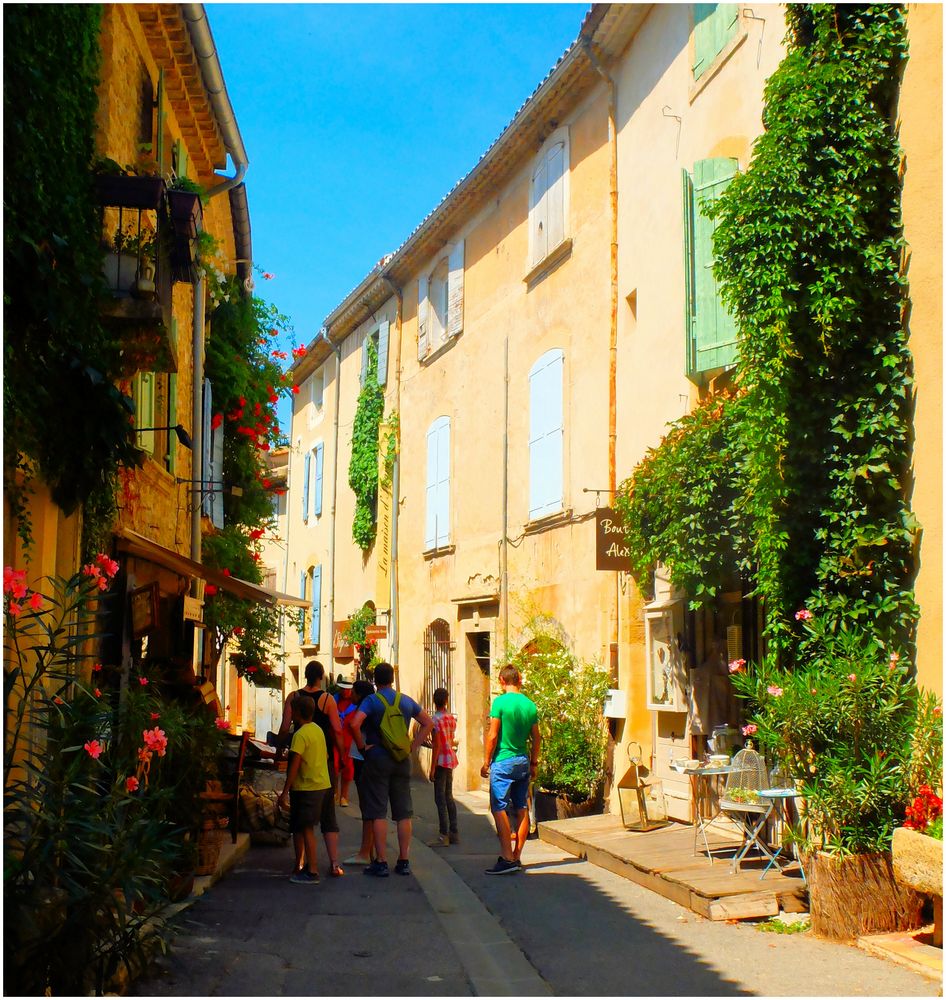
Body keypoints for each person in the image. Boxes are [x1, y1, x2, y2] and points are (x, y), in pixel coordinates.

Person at [349, 662, 434, 877]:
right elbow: (428, 722)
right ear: (392, 679)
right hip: (402, 759)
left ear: (375, 681)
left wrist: (362, 747)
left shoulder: (372, 701)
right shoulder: (405, 701)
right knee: (403, 813)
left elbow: (354, 724)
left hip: (377, 758)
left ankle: (381, 861)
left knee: (378, 811)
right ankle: (404, 860)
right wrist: (413, 746)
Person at [278, 660, 345, 876]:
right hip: (323, 763)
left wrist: (279, 749)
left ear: (305, 675)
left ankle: (301, 862)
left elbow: (284, 726)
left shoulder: (293, 697)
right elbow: (336, 730)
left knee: (300, 819)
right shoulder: (327, 700)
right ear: (320, 677)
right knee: (328, 817)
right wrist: (342, 755)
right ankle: (334, 863)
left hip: (300, 759)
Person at [480, 663, 540, 875]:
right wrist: (533, 762)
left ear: (502, 681)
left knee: (499, 807)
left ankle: (506, 857)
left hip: (503, 760)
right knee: (521, 807)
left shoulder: (500, 703)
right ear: (519, 680)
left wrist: (486, 762)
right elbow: (537, 737)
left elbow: (493, 734)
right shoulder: (530, 705)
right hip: (522, 760)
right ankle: (516, 855)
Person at [277, 694, 331, 885]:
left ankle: (312, 870)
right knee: (302, 826)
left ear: (297, 713)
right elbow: (324, 757)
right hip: (320, 784)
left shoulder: (299, 735)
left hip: (306, 787)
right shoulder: (317, 730)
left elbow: (294, 765)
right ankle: (303, 865)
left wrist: (284, 792)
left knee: (306, 828)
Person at [343, 679, 377, 866]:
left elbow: (353, 726)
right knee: (370, 807)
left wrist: (362, 748)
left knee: (368, 808)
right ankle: (369, 851)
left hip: (362, 759)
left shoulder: (364, 710)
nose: (351, 695)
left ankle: (365, 852)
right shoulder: (370, 708)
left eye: (354, 692)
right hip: (364, 759)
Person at [427, 687, 459, 847]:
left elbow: (436, 744)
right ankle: (454, 832)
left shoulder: (435, 720)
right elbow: (450, 739)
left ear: (434, 700)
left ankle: (443, 834)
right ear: (446, 700)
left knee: (440, 798)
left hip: (440, 760)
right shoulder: (450, 718)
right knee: (449, 796)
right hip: (450, 758)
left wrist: (432, 768)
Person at [333, 674, 357, 806]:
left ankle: (344, 796)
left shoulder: (355, 703)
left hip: (349, 742)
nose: (345, 691)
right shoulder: (334, 701)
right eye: (343, 688)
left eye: (348, 689)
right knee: (335, 767)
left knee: (348, 770)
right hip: (336, 741)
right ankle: (336, 792)